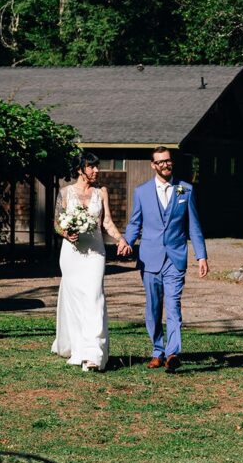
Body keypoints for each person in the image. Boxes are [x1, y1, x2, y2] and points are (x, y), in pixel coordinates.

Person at [117, 146, 208, 372]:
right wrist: (127, 241)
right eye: (160, 162)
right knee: (154, 308)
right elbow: (135, 223)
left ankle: (173, 352)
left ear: (172, 162)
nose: (165, 165)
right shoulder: (142, 192)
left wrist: (201, 256)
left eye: (168, 161)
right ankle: (157, 350)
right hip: (150, 259)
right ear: (153, 165)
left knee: (174, 305)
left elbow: (194, 227)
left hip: (175, 258)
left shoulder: (185, 190)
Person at [51, 153, 125, 371]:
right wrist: (65, 233)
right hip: (71, 254)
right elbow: (56, 223)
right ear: (80, 169)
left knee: (94, 297)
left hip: (95, 253)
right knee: (75, 302)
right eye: (92, 167)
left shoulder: (101, 193)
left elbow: (107, 222)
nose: (96, 171)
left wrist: (121, 239)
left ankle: (94, 353)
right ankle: (78, 348)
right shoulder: (65, 193)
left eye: (97, 167)